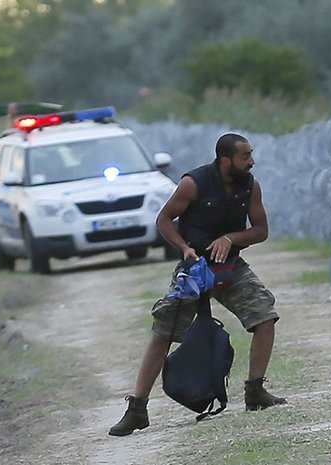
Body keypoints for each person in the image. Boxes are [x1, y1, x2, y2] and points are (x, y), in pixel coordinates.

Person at [109, 133, 286, 437]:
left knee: (265, 317)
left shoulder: (250, 186)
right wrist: (184, 248)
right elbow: (164, 220)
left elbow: (260, 230)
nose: (252, 161)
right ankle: (137, 408)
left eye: (251, 154)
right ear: (225, 159)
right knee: (163, 331)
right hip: (194, 269)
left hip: (230, 267)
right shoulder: (193, 183)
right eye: (245, 156)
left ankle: (255, 391)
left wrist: (231, 238)